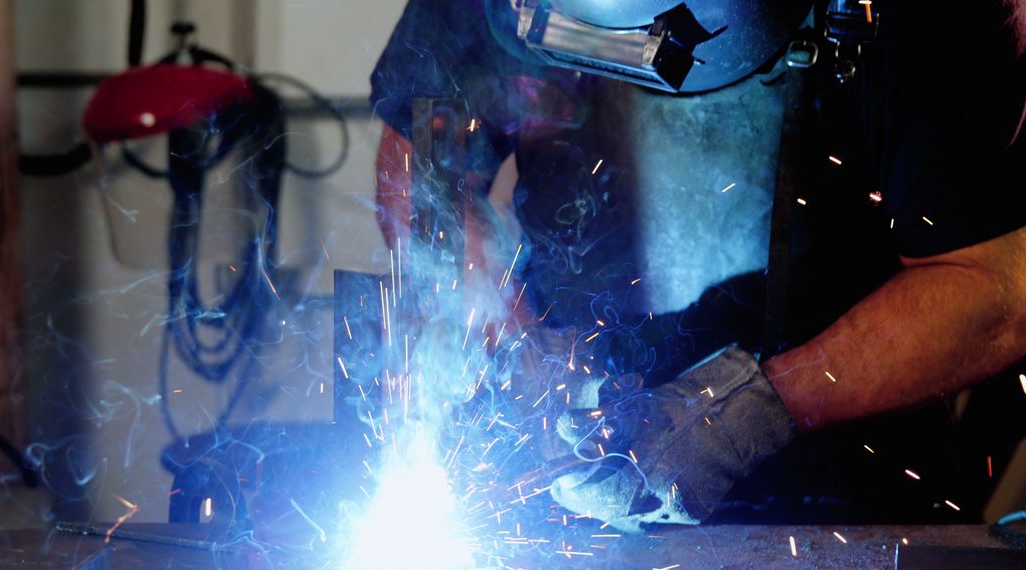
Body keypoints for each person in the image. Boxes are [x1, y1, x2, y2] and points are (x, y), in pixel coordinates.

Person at [370, 0, 1026, 529]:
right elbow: (423, 162)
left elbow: (998, 285)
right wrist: (515, 345)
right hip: (565, 461)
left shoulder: (922, 15)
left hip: (842, 484)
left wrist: (758, 409)